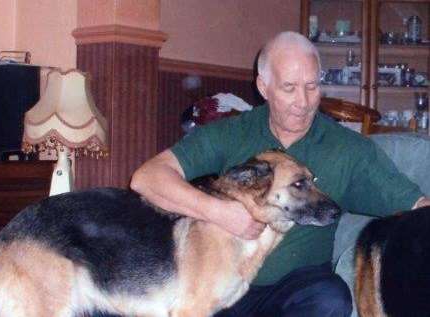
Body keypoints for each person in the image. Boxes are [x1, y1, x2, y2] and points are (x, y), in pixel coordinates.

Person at [130, 31, 430, 317]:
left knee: (330, 298)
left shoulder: (347, 148)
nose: (304, 101)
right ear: (264, 87)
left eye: (312, 86)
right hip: (224, 284)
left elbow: (414, 204)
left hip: (298, 287)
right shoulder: (232, 132)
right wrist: (218, 211)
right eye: (289, 88)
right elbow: (146, 178)